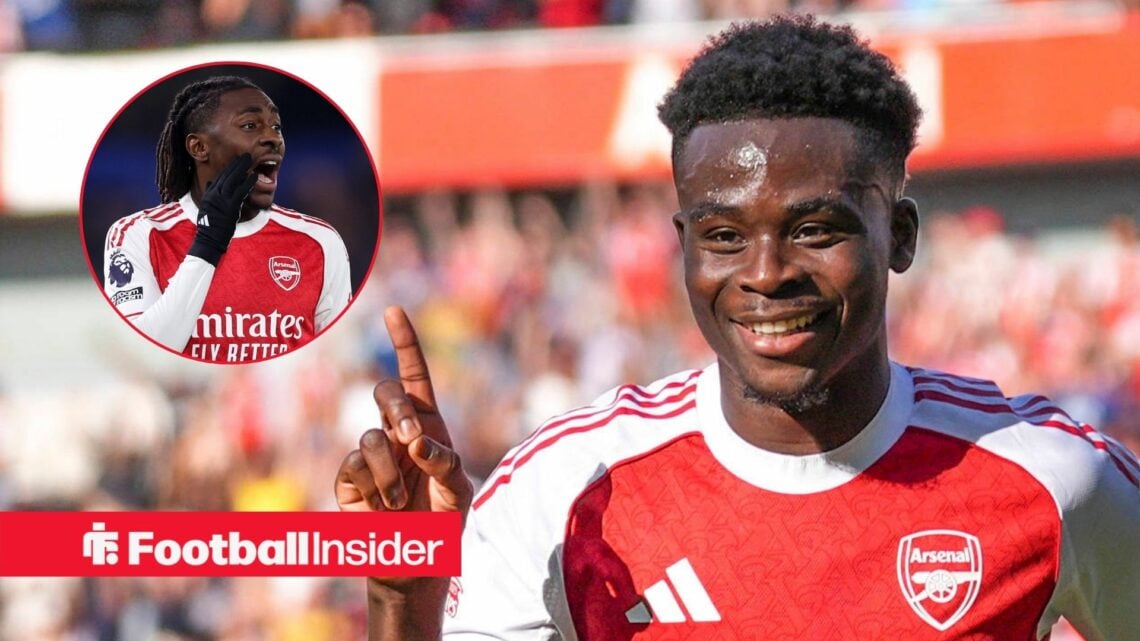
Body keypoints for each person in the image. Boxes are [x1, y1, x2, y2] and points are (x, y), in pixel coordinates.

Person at [335, 15, 1140, 640]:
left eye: (816, 228)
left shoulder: (1055, 477)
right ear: (683, 248)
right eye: (724, 237)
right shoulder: (564, 485)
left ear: (899, 235)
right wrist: (402, 598)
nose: (764, 272)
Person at [103, 75, 351, 363]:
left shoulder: (320, 242)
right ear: (199, 148)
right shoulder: (139, 235)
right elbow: (148, 356)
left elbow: (338, 364)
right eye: (249, 126)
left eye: (276, 127)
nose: (272, 138)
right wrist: (208, 243)